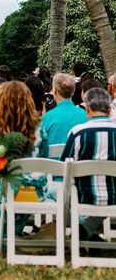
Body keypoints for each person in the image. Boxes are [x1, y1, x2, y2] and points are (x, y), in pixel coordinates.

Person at [0, 81, 49, 249]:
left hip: (5, 194)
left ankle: (2, 234)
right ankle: (13, 231)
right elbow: (44, 160)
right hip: (36, 193)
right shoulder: (40, 129)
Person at [61, 87, 116, 239]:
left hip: (83, 197)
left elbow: (64, 169)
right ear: (109, 108)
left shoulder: (78, 132)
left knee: (55, 191)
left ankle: (83, 230)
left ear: (88, 108)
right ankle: (87, 231)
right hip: (114, 196)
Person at [41, 73, 87, 147]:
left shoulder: (47, 117)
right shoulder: (85, 115)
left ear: (55, 91)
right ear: (73, 91)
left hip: (52, 158)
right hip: (78, 157)